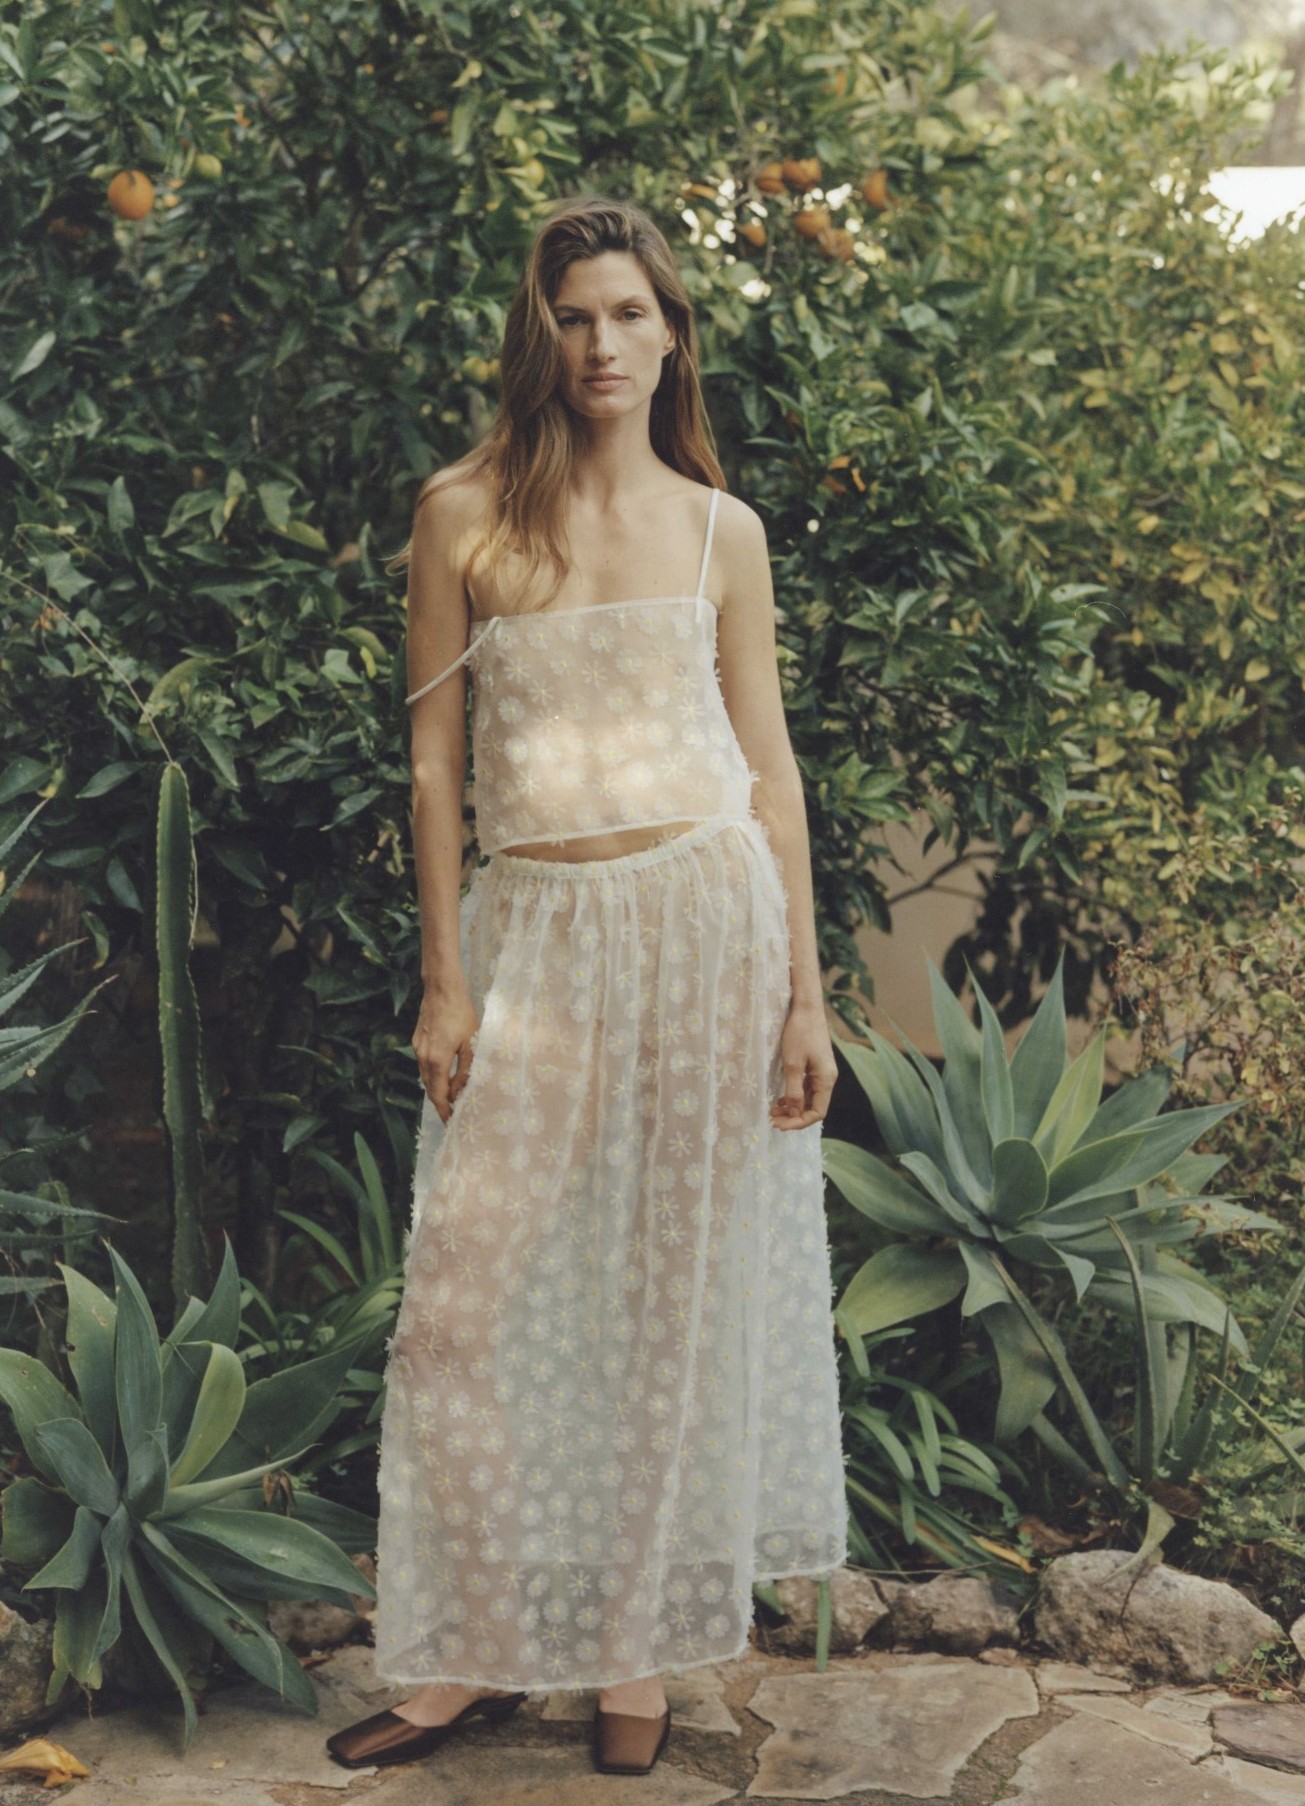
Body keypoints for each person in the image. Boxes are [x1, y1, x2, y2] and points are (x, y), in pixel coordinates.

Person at [327, 193, 847, 1780]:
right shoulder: (461, 516)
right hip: (537, 934)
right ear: (537, 336)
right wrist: (445, 979)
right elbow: (433, 766)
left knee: (664, 1309)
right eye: (573, 316)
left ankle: (633, 1658)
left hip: (707, 926)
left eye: (628, 313)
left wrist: (805, 993)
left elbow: (768, 767)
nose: (602, 343)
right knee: (454, 1309)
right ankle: (472, 1654)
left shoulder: (718, 529)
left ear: (671, 334)